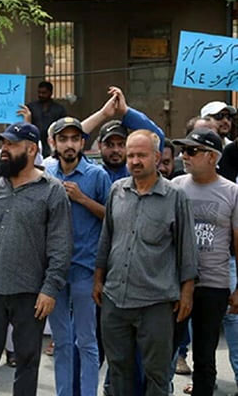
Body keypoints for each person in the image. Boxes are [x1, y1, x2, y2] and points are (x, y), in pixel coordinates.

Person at [0, 122, 72, 396]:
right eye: (2, 144)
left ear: (31, 149)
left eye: (10, 145)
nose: (3, 150)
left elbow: (60, 245)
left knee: (27, 362)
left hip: (30, 293)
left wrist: (49, 290)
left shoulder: (51, 190)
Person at [92, 130, 197, 396]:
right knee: (119, 371)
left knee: (157, 373)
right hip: (115, 299)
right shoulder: (117, 191)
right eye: (131, 156)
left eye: (141, 155)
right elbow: (107, 238)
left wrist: (187, 293)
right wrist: (98, 278)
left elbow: (187, 248)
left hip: (156, 302)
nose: (135, 161)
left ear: (157, 156)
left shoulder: (175, 196)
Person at [46, 117, 110, 396]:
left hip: (86, 269)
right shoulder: (46, 173)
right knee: (61, 342)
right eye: (63, 139)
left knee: (86, 342)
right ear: (53, 143)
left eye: (74, 139)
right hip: (54, 272)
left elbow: (114, 219)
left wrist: (82, 199)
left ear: (83, 143)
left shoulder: (97, 176)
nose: (69, 144)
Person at [171, 128, 238, 395]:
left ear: (212, 157)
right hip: (174, 284)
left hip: (214, 284)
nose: (184, 156)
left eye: (191, 151)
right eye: (183, 150)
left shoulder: (231, 192)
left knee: (205, 355)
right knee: (166, 352)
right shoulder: (175, 186)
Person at [26, 81, 67, 157]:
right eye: (39, 92)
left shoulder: (59, 109)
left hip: (52, 142)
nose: (41, 95)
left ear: (50, 93)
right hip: (35, 141)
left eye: (44, 93)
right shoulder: (31, 107)